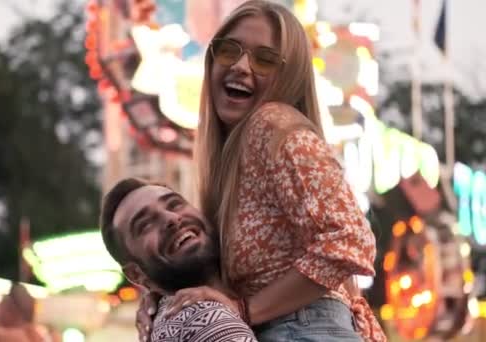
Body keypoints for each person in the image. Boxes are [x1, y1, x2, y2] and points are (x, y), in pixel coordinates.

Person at [136, 1, 387, 341]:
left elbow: (349, 239)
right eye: (229, 50)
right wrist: (161, 290)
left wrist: (246, 310)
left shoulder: (272, 124)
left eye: (264, 59)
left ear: (289, 77)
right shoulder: (236, 160)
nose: (241, 66)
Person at [100, 178, 258, 342]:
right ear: (136, 274)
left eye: (174, 204)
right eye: (145, 224)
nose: (171, 218)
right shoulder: (204, 317)